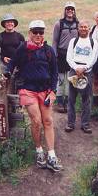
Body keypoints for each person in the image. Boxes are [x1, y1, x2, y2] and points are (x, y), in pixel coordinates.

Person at [10, 20, 62, 172]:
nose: (38, 35)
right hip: (27, 89)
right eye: (35, 32)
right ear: (30, 33)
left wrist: (53, 91)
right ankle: (39, 151)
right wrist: (6, 72)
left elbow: (54, 72)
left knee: (48, 120)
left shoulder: (48, 50)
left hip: (45, 90)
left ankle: (51, 155)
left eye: (41, 32)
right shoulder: (23, 48)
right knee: (37, 121)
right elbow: (12, 63)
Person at [65, 20, 98, 134]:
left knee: (86, 99)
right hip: (74, 72)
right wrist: (76, 68)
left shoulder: (94, 42)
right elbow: (69, 57)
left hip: (87, 72)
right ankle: (70, 123)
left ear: (89, 29)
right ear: (78, 29)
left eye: (86, 27)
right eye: (81, 27)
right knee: (71, 99)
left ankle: (85, 124)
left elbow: (93, 58)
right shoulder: (73, 41)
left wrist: (84, 68)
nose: (83, 29)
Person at [52, 2, 79, 113]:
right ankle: (59, 102)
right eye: (68, 9)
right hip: (61, 54)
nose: (70, 11)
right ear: (65, 10)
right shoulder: (59, 24)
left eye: (72, 9)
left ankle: (68, 102)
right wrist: (54, 55)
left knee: (71, 79)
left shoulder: (78, 24)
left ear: (74, 11)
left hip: (73, 55)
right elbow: (55, 41)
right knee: (61, 79)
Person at [0, 13, 25, 78]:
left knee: (17, 81)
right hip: (4, 64)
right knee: (5, 82)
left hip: (17, 63)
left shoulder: (20, 36)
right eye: (7, 22)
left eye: (11, 22)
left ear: (14, 24)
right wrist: (3, 58)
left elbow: (24, 51)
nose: (9, 24)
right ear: (4, 24)